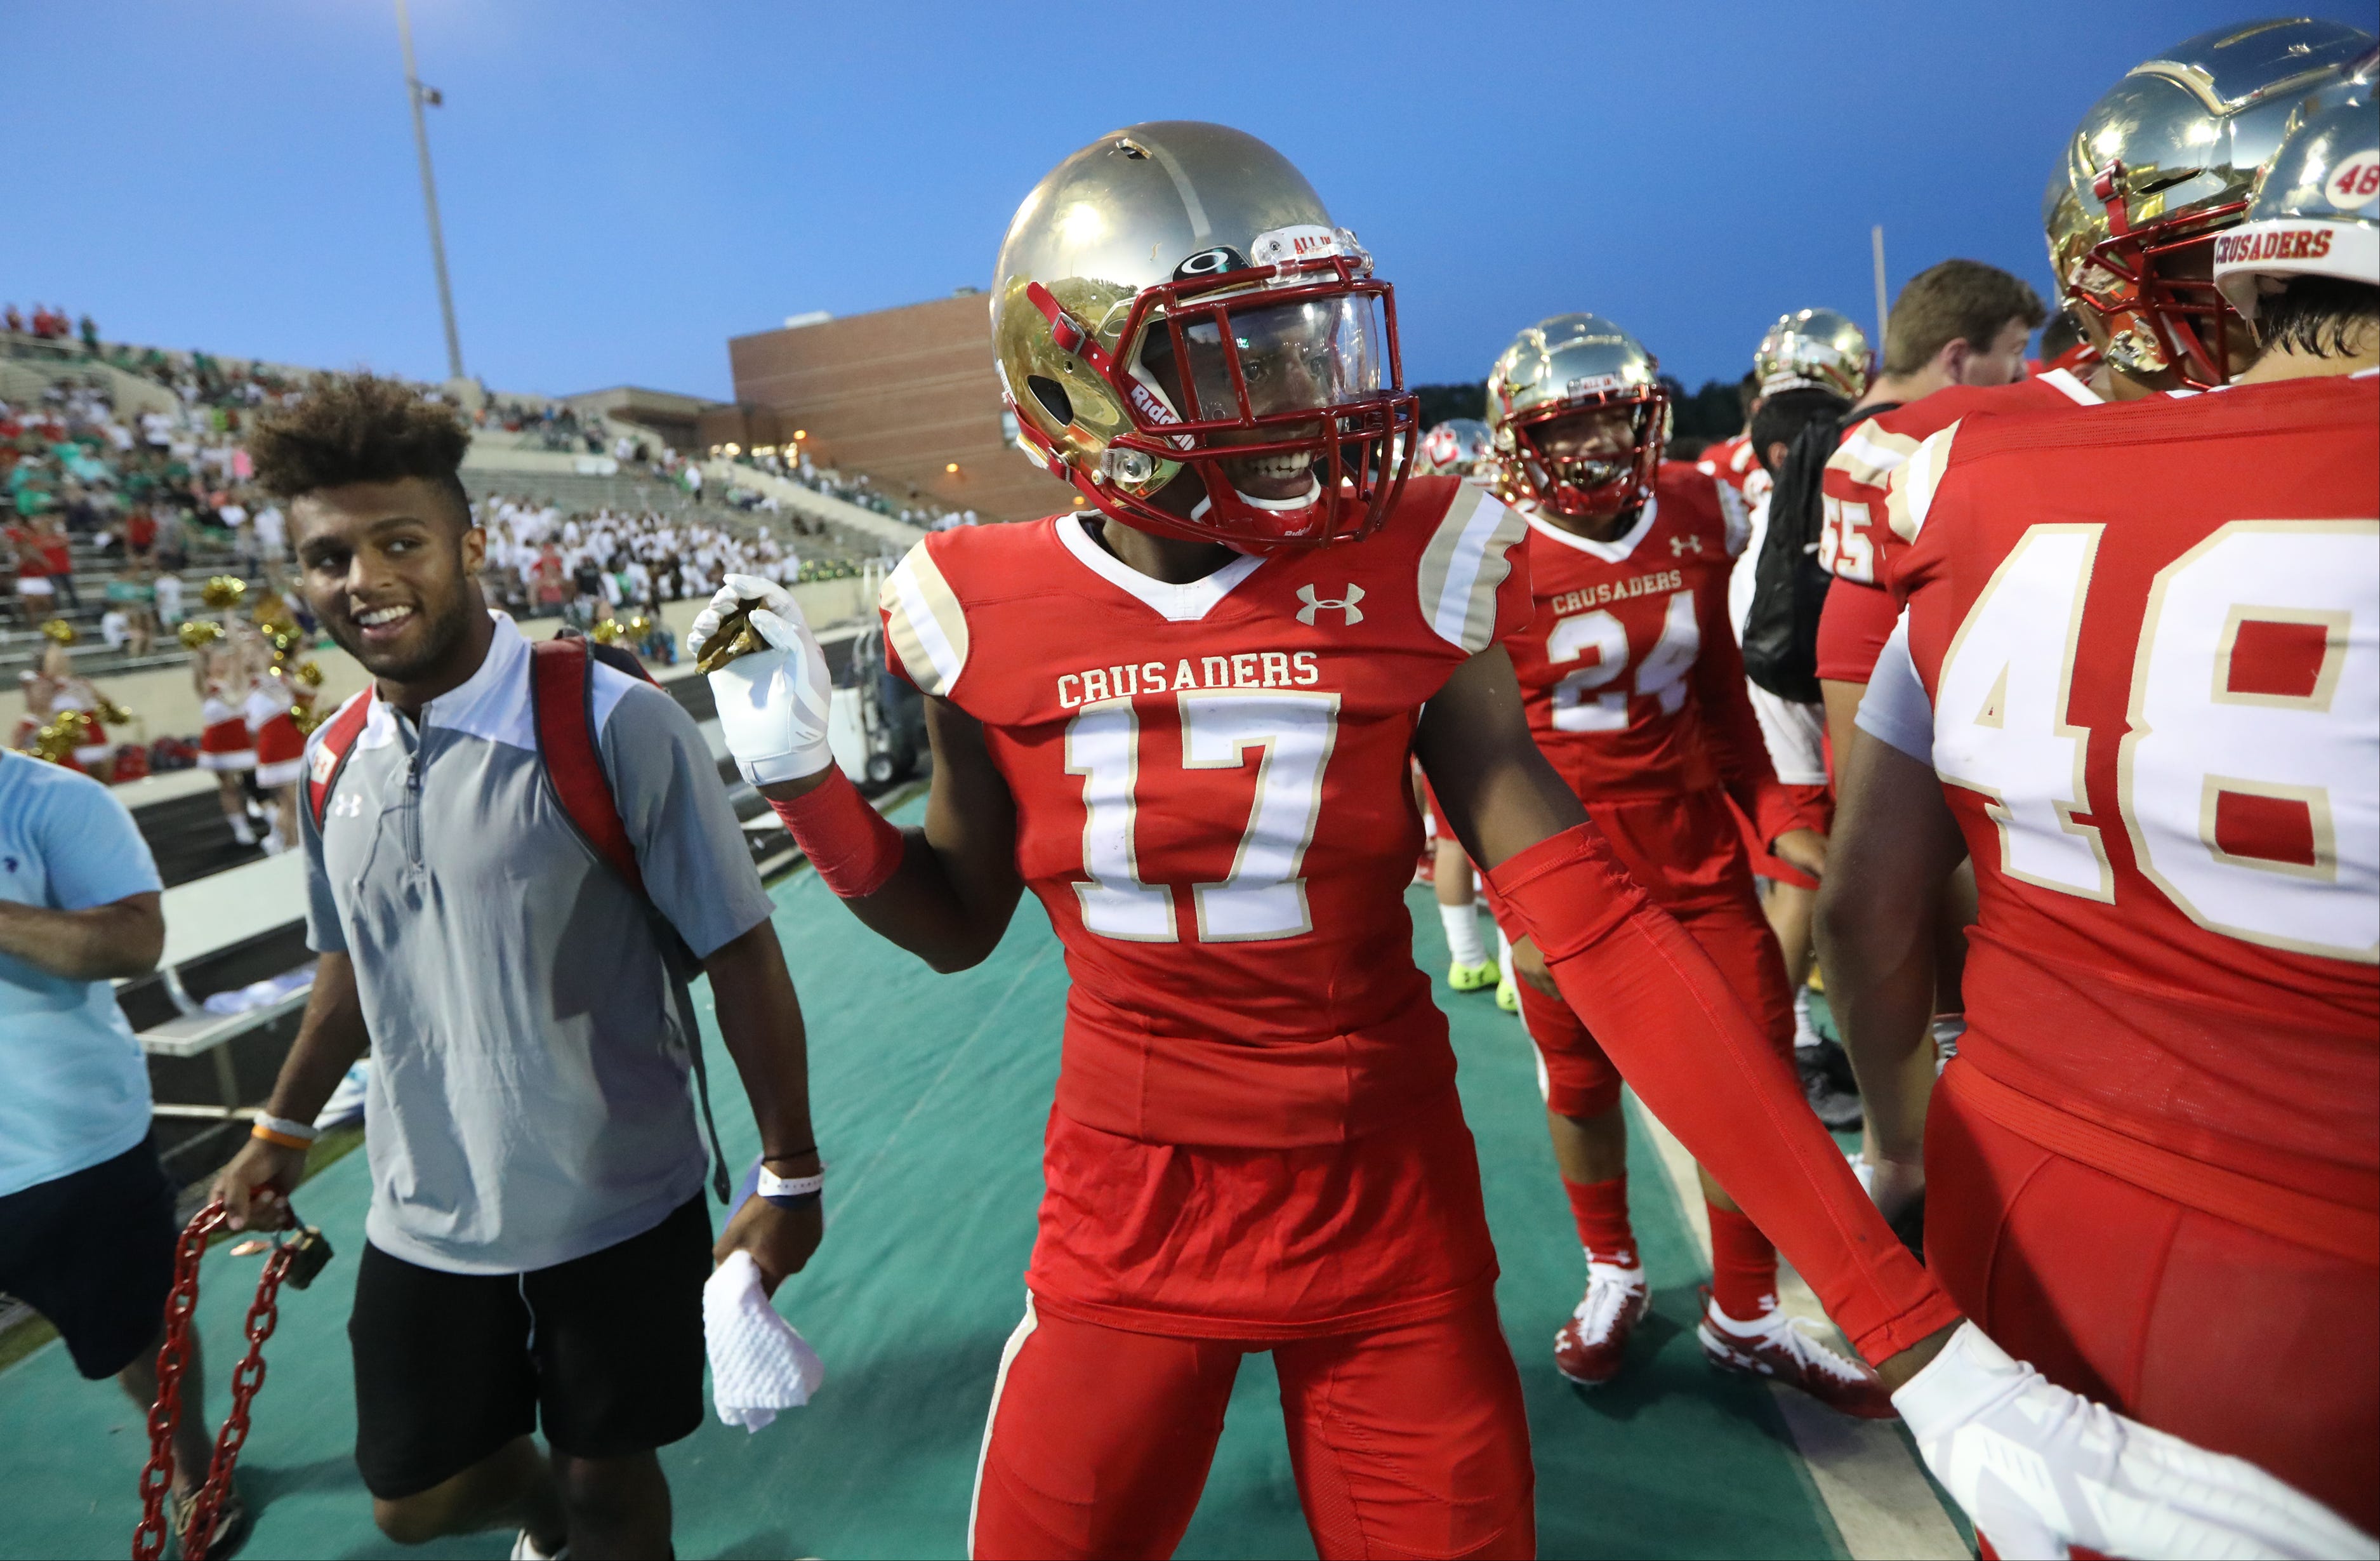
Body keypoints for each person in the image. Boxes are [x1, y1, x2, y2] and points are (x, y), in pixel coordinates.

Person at [694, 120, 2298, 1561]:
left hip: (1382, 1210)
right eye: (1239, 356)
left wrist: (1911, 1331)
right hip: (1125, 1217)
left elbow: (1593, 924)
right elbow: (956, 918)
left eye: (1302, 340)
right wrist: (804, 784)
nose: (1308, 394)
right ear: (1084, 382)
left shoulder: (1411, 554)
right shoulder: (974, 601)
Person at [1818, 62, 2379, 1546]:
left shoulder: (1971, 478)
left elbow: (1865, 897)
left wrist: (1898, 1140)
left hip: (2009, 1177)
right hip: (2320, 1279)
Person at [205, 373, 829, 1560]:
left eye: (401, 543)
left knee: (614, 1478)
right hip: (423, 1209)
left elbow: (740, 950)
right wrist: (279, 1129)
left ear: (471, 543)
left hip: (617, 1199)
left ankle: (585, 1520)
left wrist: (789, 1169)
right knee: (411, 1496)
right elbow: (349, 969)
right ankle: (546, 1513)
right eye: (330, 556)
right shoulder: (328, 762)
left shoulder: (611, 720)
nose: (366, 580)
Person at [1479, 314, 1868, 1405]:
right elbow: (1465, 760)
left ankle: (1746, 1309)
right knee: (1583, 1080)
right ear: (1520, 440)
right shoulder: (1481, 549)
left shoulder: (1700, 508)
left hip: (1695, 857)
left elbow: (1718, 699)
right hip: (1565, 862)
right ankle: (1614, 1266)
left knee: (1755, 1086)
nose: (1599, 448)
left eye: (1617, 420)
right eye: (1571, 427)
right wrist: (1518, 907)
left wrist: (1778, 812)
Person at [0, 748, 249, 1553]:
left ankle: (190, 1460)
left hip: (64, 1145)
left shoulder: (48, 798)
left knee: (135, 1331)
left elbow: (133, 943)